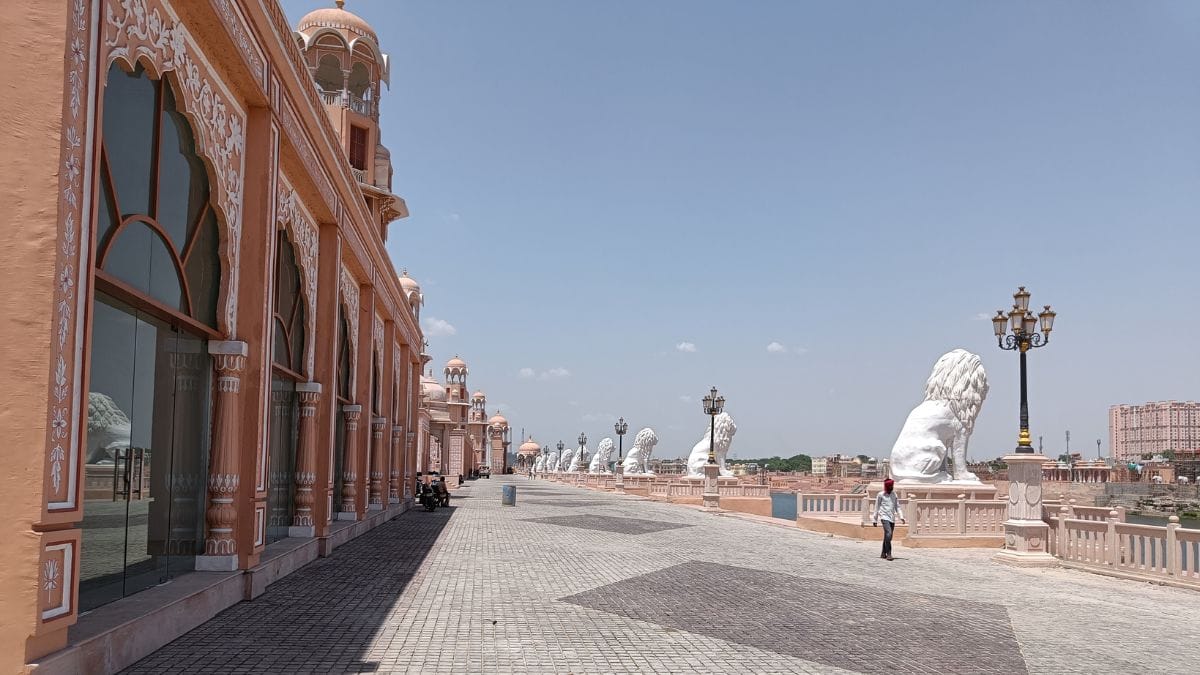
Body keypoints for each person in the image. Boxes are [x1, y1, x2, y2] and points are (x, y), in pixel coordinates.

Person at [871, 478, 906, 560]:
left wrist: (901, 517)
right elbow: (876, 507)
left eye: (892, 486)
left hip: (892, 518)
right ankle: (889, 553)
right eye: (890, 486)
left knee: (888, 536)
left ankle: (883, 553)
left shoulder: (894, 495)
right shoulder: (880, 495)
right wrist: (875, 519)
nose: (891, 487)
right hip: (884, 517)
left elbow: (897, 507)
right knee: (889, 533)